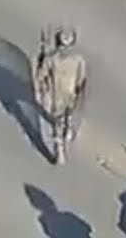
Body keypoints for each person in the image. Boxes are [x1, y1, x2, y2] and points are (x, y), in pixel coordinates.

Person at [33, 26, 87, 165]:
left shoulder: (51, 58)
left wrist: (40, 61)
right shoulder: (78, 58)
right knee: (67, 116)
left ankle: (60, 153)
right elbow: (82, 78)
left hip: (57, 95)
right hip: (71, 93)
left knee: (58, 123)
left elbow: (40, 76)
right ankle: (67, 132)